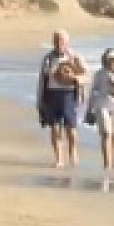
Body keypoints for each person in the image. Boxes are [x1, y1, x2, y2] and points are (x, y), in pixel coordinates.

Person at [35, 30, 87, 168]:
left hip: (69, 94)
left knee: (71, 128)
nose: (59, 44)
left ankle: (73, 152)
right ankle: (59, 158)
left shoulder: (74, 56)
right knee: (55, 127)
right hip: (52, 94)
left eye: (62, 41)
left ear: (67, 42)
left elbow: (86, 75)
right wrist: (39, 100)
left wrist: (75, 78)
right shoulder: (48, 58)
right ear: (53, 42)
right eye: (57, 40)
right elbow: (42, 79)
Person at [87, 48, 114, 174]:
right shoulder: (100, 73)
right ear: (105, 60)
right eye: (109, 60)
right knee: (106, 133)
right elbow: (94, 91)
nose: (112, 63)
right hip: (103, 105)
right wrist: (89, 109)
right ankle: (107, 163)